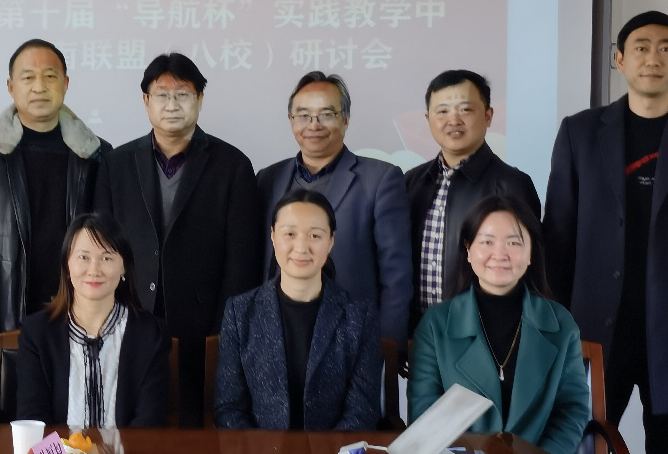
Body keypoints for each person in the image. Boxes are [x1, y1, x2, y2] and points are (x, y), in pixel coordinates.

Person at [543, 10, 668, 452]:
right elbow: (557, 237)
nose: (653, 58)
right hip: (592, 328)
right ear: (620, 60)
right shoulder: (580, 132)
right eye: (641, 48)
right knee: (584, 443)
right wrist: (554, 325)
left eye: (666, 48)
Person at [94, 52, 262, 426]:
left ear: (199, 99)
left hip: (203, 324)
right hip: (130, 317)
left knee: (195, 421)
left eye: (183, 95)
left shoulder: (233, 165)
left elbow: (242, 259)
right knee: (130, 419)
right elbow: (102, 246)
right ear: (146, 101)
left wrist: (225, 330)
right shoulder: (116, 164)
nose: (172, 105)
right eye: (162, 95)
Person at [410, 195, 588, 454]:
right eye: (487, 241)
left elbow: (572, 410)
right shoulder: (435, 325)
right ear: (468, 249)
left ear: (530, 253)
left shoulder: (561, 324)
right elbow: (425, 415)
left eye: (514, 242)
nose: (500, 254)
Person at [0, 38, 110, 338]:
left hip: (79, 315)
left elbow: (107, 244)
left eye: (50, 76)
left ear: (65, 83)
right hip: (7, 315)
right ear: (10, 86)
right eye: (28, 78)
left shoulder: (95, 154)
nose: (39, 87)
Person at [256, 71, 411, 342]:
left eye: (326, 114)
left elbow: (396, 275)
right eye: (303, 115)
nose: (313, 125)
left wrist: (388, 345)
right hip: (275, 333)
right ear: (291, 120)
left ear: (345, 119)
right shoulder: (268, 178)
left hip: (351, 336)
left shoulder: (380, 179)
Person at [214, 190, 382, 431]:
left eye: (315, 235)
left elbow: (362, 412)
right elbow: (229, 408)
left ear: (331, 240)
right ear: (273, 236)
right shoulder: (240, 312)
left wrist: (330, 450)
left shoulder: (359, 316)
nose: (301, 247)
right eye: (290, 234)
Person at [404, 70, 539, 327]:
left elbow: (530, 274)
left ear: (488, 116)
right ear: (428, 119)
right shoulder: (411, 182)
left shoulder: (512, 184)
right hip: (418, 333)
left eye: (465, 110)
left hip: (482, 333)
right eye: (442, 111)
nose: (453, 120)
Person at [16, 213, 171, 428]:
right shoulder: (36, 334)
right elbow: (33, 420)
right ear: (67, 266)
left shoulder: (151, 334)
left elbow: (150, 424)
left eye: (106, 258)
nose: (94, 270)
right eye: (83, 257)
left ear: (124, 267)